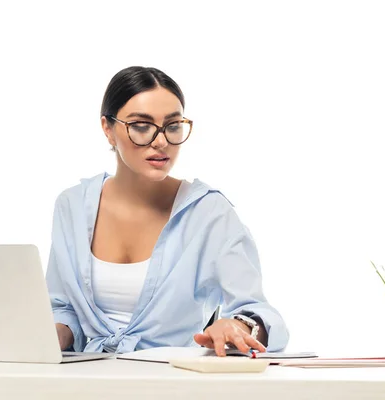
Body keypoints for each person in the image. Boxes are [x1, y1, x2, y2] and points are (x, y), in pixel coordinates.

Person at [45, 66, 288, 356]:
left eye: (172, 126)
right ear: (108, 129)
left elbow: (257, 311)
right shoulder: (71, 206)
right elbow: (62, 307)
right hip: (86, 378)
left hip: (173, 379)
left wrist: (238, 325)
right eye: (141, 126)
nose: (161, 141)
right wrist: (53, 334)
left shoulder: (209, 213)